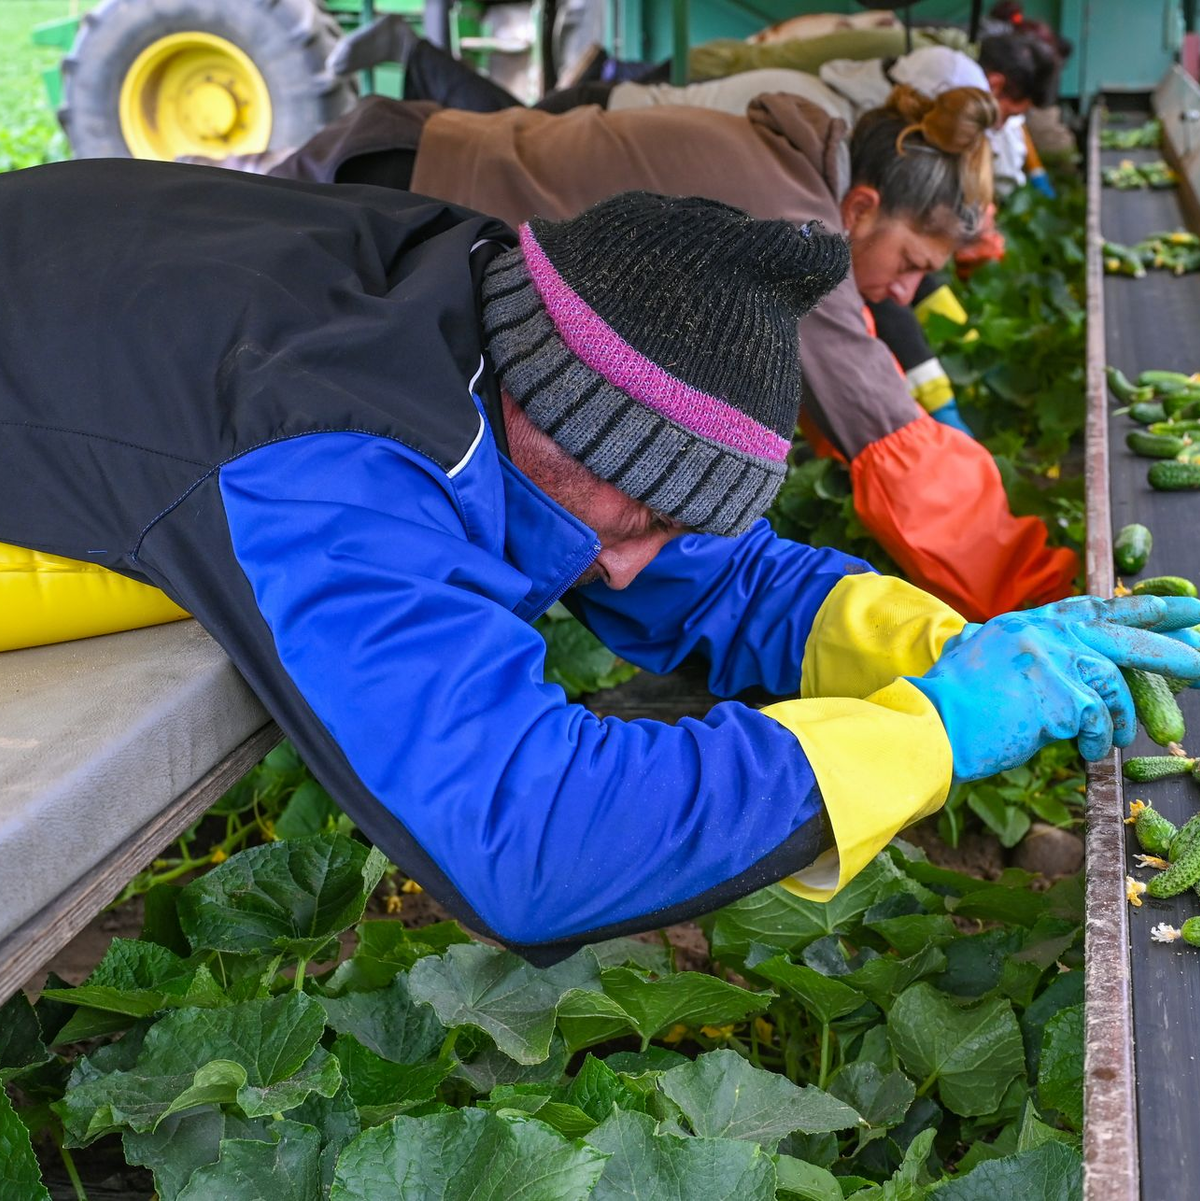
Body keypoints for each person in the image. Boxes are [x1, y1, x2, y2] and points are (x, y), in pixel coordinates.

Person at [3, 165, 1198, 964]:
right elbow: (523, 835)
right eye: (640, 517)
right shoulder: (341, 451)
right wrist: (925, 737)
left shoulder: (531, 313)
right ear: (560, 415)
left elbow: (724, 576)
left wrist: (960, 656)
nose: (632, 573)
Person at [254, 84, 1074, 621]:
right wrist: (1035, 594)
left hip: (414, 154)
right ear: (862, 206)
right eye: (912, 266)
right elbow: (882, 435)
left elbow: (843, 382)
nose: (903, 293)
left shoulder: (789, 163)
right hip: (396, 194)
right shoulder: (796, 220)